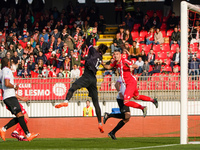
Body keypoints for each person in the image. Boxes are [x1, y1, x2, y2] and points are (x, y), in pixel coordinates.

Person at [55, 36, 108, 133]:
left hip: (87, 76)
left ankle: (66, 101)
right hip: (93, 79)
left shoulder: (94, 51)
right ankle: (100, 123)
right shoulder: (100, 58)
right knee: (96, 103)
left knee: (73, 87)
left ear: (99, 48)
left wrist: (89, 35)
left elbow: (88, 42)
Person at [103, 50, 158, 117]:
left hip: (130, 83)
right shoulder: (116, 62)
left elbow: (136, 66)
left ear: (120, 54)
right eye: (114, 54)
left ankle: (142, 108)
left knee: (126, 101)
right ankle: (153, 100)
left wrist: (130, 67)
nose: (115, 55)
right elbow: (108, 67)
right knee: (136, 97)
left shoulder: (124, 60)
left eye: (117, 54)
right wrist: (102, 63)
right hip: (129, 83)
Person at [0, 57, 39, 141]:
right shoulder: (7, 70)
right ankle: (28, 134)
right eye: (9, 62)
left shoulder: (1, 72)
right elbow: (7, 83)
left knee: (20, 116)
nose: (10, 63)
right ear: (8, 63)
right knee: (20, 115)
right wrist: (15, 86)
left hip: (8, 97)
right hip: (10, 97)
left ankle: (3, 129)